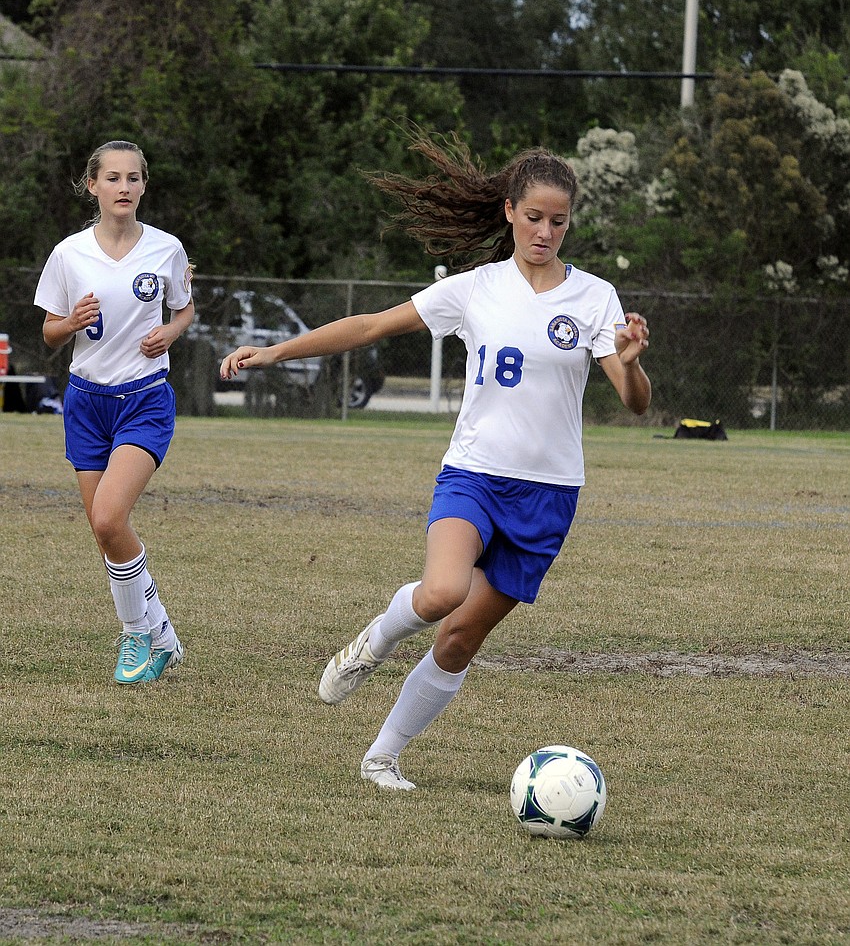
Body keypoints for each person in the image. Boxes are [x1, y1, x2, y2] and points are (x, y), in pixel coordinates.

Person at [220, 131, 651, 789]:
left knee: (458, 640)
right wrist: (276, 351)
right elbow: (369, 326)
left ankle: (382, 757)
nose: (544, 232)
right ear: (509, 209)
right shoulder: (475, 289)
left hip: (549, 494)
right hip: (474, 474)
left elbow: (635, 400)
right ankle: (377, 639)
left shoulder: (594, 299)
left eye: (558, 221)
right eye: (533, 217)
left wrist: (628, 360)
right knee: (443, 591)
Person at [35, 140, 195, 685]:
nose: (123, 188)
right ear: (92, 186)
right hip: (85, 402)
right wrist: (71, 321)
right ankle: (165, 634)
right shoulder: (69, 254)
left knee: (109, 518)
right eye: (113, 179)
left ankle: (135, 636)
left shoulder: (166, 249)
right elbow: (50, 333)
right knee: (105, 531)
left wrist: (171, 331)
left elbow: (184, 307)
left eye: (133, 178)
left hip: (144, 400)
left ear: (144, 186)